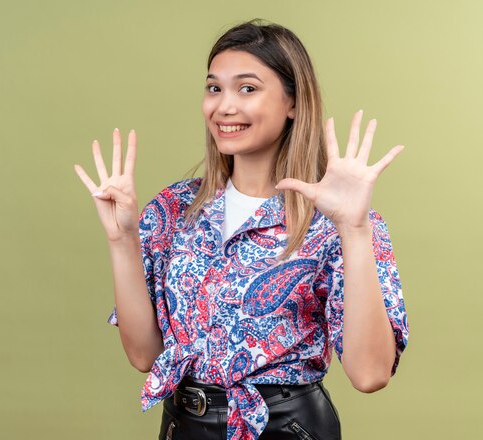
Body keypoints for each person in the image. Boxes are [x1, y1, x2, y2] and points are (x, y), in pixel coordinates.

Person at [74, 19, 408, 440]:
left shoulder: (336, 221)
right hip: (185, 425)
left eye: (247, 89)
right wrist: (121, 238)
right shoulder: (174, 208)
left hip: (287, 428)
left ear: (293, 102)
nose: (224, 106)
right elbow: (144, 356)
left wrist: (355, 229)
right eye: (214, 88)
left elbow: (370, 373)